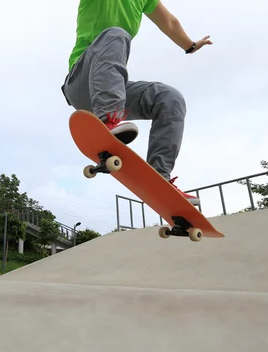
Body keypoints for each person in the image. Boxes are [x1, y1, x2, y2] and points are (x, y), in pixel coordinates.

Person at [61, 0, 212, 206]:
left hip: (112, 87)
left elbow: (169, 22)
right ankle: (108, 121)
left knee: (169, 98)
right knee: (116, 34)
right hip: (80, 81)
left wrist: (191, 45)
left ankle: (160, 176)